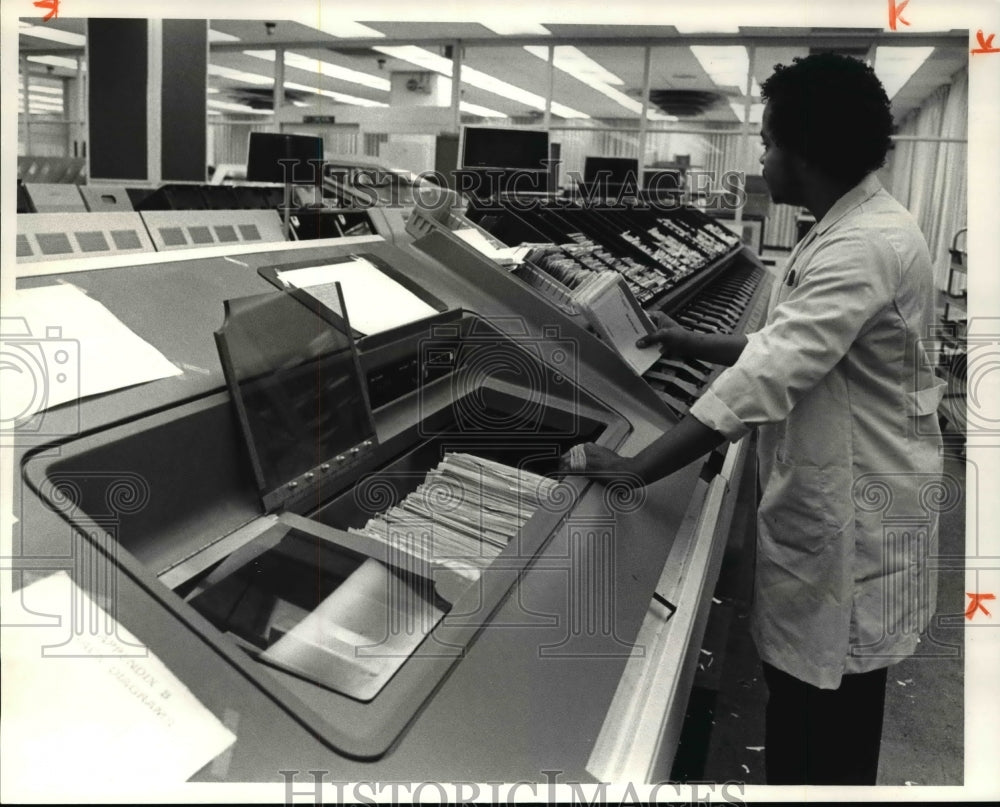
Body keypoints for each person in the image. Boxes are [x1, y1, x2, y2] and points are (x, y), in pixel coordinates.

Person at [560, 53, 945, 786]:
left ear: (804, 153)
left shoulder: (862, 244)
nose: (761, 157)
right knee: (805, 710)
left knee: (825, 732)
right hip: (838, 502)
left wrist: (641, 466)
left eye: (766, 142)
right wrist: (688, 339)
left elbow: (769, 374)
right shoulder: (846, 224)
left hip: (851, 526)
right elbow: (789, 340)